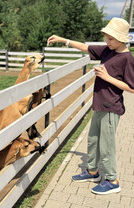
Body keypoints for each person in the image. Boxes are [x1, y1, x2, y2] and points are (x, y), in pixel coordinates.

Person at [47, 17, 134, 195]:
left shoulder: (127, 58)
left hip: (111, 108)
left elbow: (132, 88)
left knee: (106, 145)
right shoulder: (108, 51)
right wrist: (64, 40)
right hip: (99, 104)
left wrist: (107, 77)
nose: (107, 42)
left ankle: (112, 180)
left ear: (121, 39)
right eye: (106, 38)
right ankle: (92, 171)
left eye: (110, 38)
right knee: (93, 140)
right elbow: (86, 47)